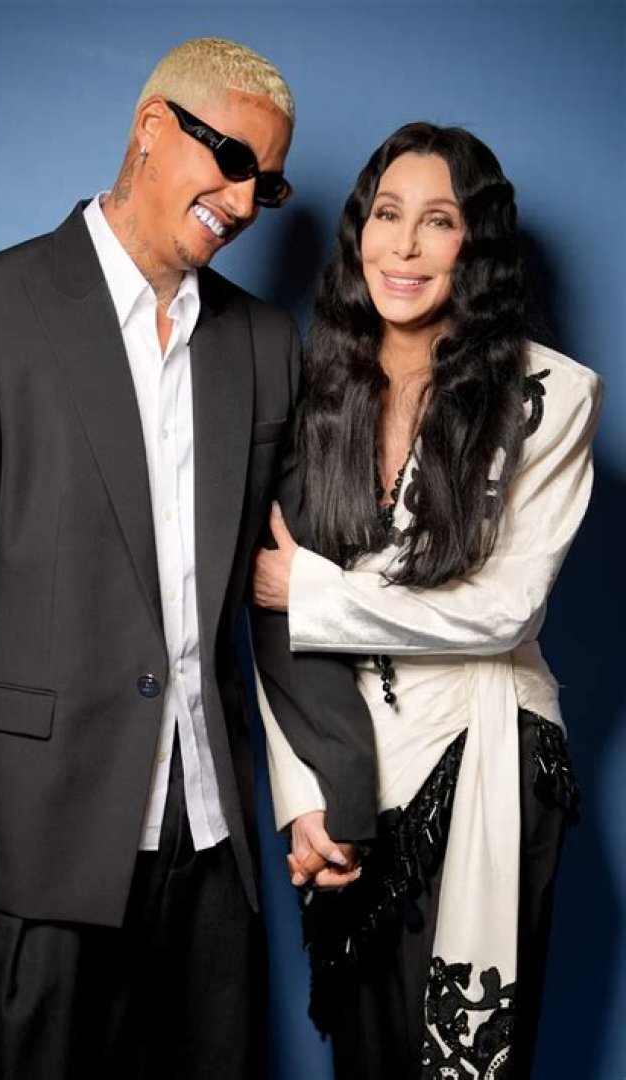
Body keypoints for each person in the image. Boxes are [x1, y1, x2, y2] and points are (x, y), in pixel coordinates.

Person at [0, 38, 378, 1080]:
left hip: (211, 845)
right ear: (152, 128)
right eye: (232, 161)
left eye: (268, 183)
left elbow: (275, 594)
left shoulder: (263, 343)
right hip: (37, 843)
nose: (246, 203)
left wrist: (333, 786)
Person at [253, 122, 602, 1078]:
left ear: (474, 244)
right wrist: (303, 801)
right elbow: (267, 622)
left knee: (465, 1059)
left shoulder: (551, 395)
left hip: (487, 757)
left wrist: (313, 589)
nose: (403, 246)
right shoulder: (312, 387)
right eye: (387, 214)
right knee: (365, 1058)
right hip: (347, 775)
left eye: (438, 221)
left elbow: (505, 612)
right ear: (359, 230)